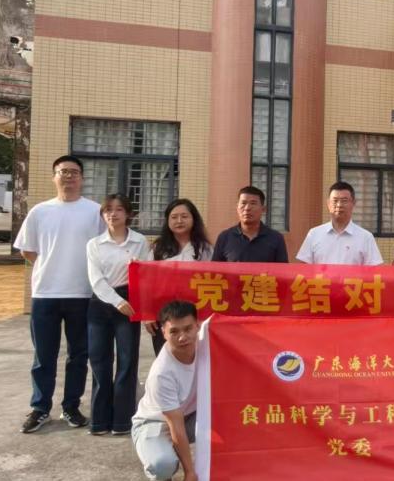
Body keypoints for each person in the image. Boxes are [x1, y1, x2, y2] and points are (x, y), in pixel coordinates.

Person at [13, 155, 104, 433]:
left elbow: (104, 248)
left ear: (82, 178)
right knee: (44, 355)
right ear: (54, 177)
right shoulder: (40, 211)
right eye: (63, 171)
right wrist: (50, 267)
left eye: (74, 172)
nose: (69, 176)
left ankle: (71, 406)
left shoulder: (95, 212)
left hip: (83, 293)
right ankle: (40, 408)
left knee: (78, 355)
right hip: (45, 294)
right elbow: (28, 250)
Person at [86, 193, 152, 436]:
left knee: (127, 361)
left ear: (128, 214)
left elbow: (146, 273)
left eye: (119, 209)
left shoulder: (139, 241)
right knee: (99, 361)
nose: (113, 214)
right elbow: (96, 280)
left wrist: (138, 305)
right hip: (101, 303)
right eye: (108, 210)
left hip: (129, 302)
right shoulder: (94, 244)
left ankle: (122, 421)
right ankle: (99, 420)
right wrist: (117, 301)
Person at [131, 300, 202, 481]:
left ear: (198, 326)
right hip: (156, 422)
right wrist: (189, 472)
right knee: (163, 465)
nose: (183, 337)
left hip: (190, 415)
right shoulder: (162, 373)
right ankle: (159, 470)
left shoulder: (206, 346)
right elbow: (175, 426)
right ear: (163, 332)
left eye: (188, 329)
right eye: (174, 332)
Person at [148, 198, 213, 355]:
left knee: (194, 357)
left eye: (184, 216)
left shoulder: (205, 249)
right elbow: (148, 281)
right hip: (164, 313)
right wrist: (147, 314)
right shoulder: (158, 248)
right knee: (165, 356)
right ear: (167, 221)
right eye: (174, 217)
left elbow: (212, 281)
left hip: (194, 314)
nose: (179, 221)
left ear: (193, 219)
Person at [296, 181, 383, 266]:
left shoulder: (366, 237)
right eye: (335, 200)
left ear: (353, 203)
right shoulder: (314, 234)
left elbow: (374, 271)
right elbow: (303, 268)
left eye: (344, 201)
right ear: (328, 204)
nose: (339, 205)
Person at [211, 186, 288, 263]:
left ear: (263, 209)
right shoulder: (225, 237)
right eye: (243, 203)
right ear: (237, 207)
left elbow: (282, 269)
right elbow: (215, 268)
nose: (247, 208)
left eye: (253, 203)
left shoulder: (276, 238)